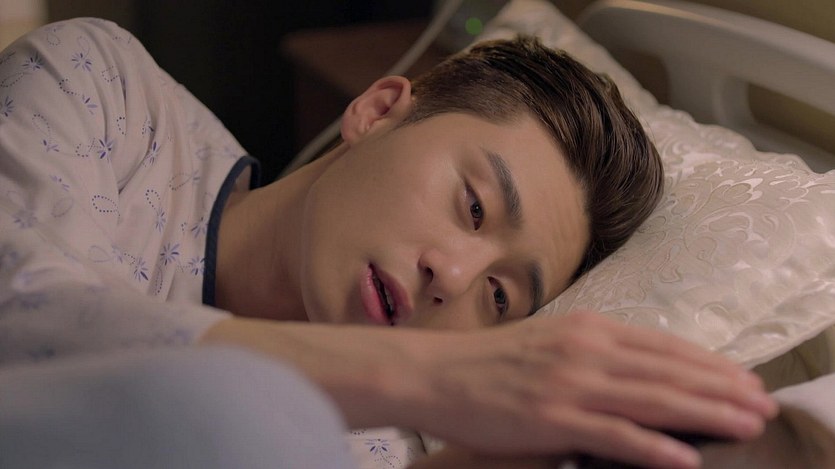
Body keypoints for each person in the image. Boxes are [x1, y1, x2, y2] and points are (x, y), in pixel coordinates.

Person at [0, 17, 783, 469]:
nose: (453, 274)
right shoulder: (102, 93)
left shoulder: (382, 443)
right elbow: (21, 314)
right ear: (378, 112)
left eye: (500, 295)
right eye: (471, 206)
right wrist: (415, 373)